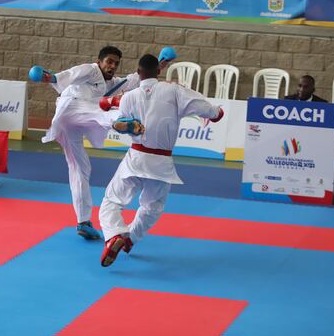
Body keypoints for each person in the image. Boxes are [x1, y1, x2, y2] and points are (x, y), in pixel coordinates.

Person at [32, 46, 173, 241]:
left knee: (80, 168)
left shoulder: (111, 83)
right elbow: (73, 73)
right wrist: (51, 78)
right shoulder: (90, 70)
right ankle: (121, 123)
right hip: (72, 107)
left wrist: (161, 63)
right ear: (100, 62)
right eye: (109, 61)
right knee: (103, 112)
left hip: (74, 124)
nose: (112, 66)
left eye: (116, 63)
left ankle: (83, 221)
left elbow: (133, 80)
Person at [99, 54, 224, 267]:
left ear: (138, 74)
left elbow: (115, 117)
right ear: (159, 71)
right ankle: (130, 239)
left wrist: (112, 102)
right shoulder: (174, 90)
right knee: (152, 207)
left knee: (111, 201)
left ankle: (114, 235)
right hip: (162, 163)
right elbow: (211, 111)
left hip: (136, 158)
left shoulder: (129, 96)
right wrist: (215, 112)